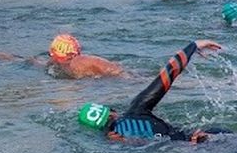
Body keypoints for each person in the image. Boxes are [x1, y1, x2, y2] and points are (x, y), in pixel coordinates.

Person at [76, 39, 226, 142]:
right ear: (112, 112)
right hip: (203, 142)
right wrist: (193, 45)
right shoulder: (136, 110)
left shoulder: (115, 141)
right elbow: (167, 76)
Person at [0, 33, 125, 78]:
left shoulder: (79, 62)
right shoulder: (83, 61)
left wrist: (2, 56)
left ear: (53, 53)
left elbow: (30, 61)